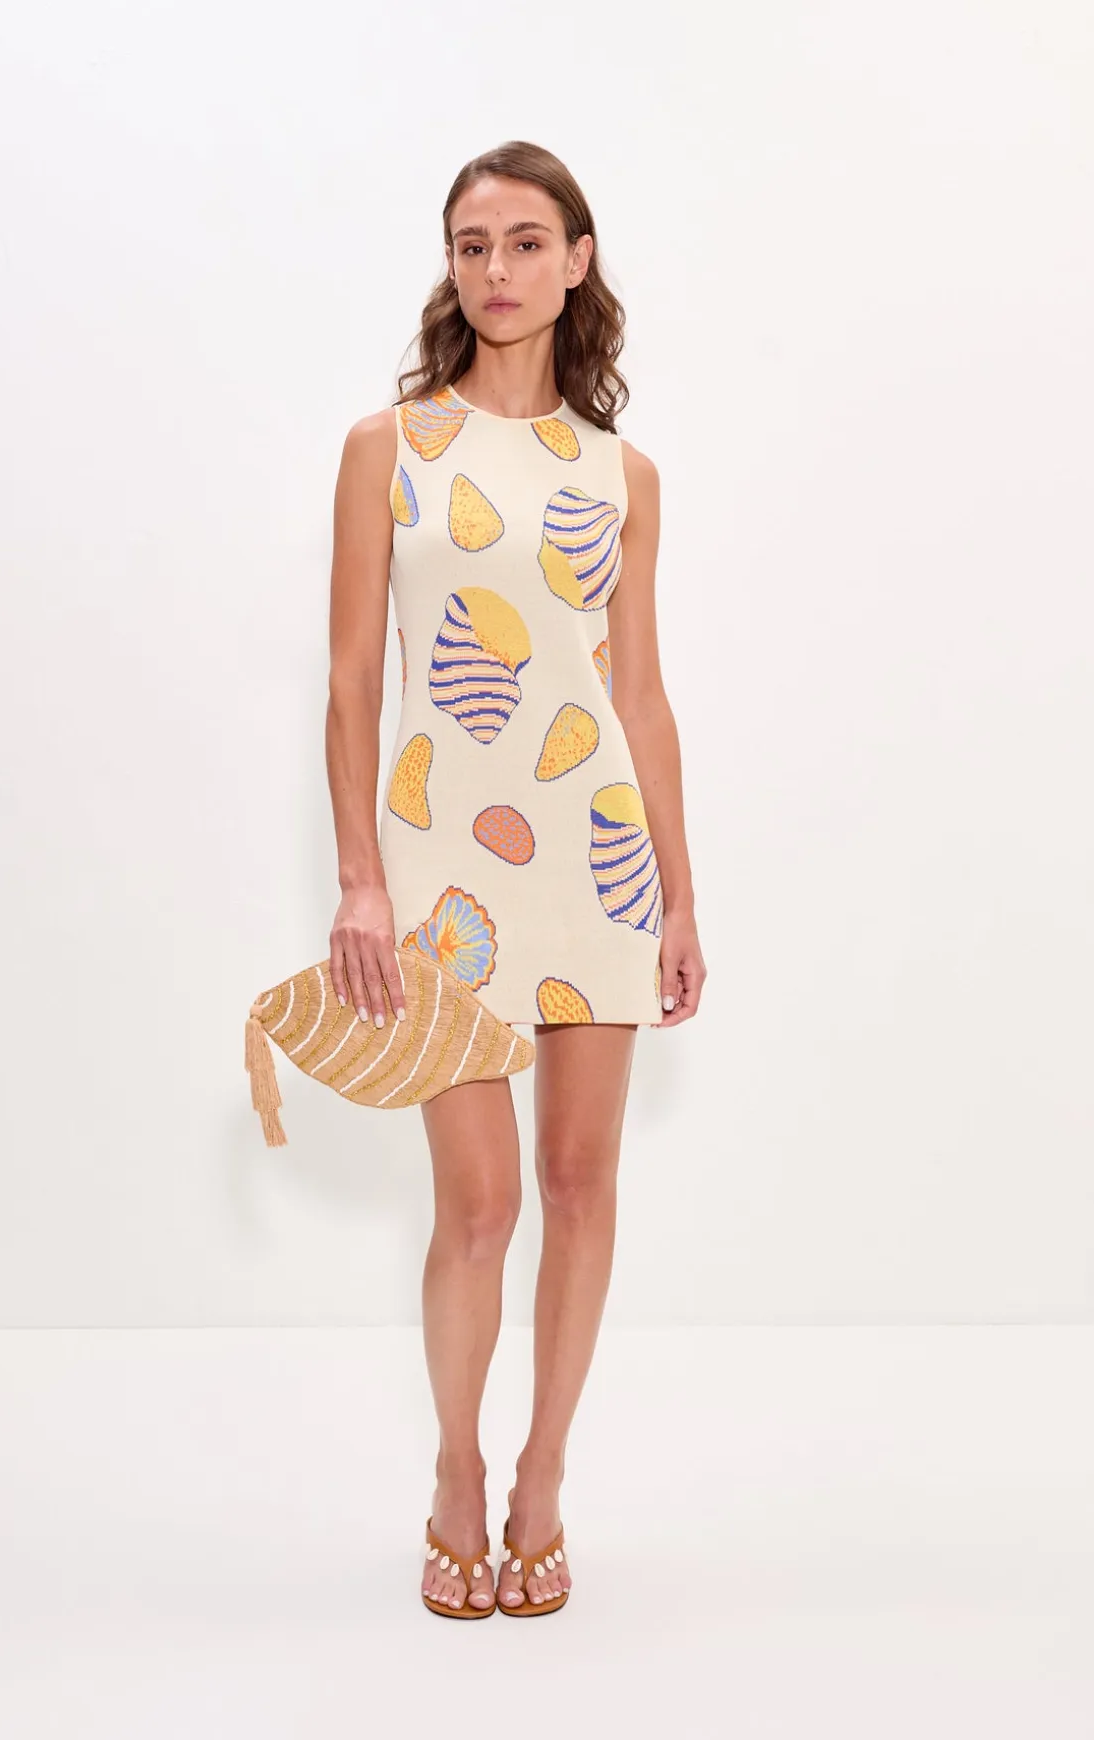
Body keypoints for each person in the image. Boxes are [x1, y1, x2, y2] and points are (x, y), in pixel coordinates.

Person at [323, 140, 706, 1618]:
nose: (496, 270)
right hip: (438, 873)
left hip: (595, 862)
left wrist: (680, 897)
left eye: (526, 242)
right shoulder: (390, 449)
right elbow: (353, 680)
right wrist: (362, 879)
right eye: (472, 244)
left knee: (580, 1182)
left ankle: (543, 1474)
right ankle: (456, 1470)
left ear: (576, 260)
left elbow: (642, 698)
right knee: (478, 1204)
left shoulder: (622, 476)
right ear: (452, 264)